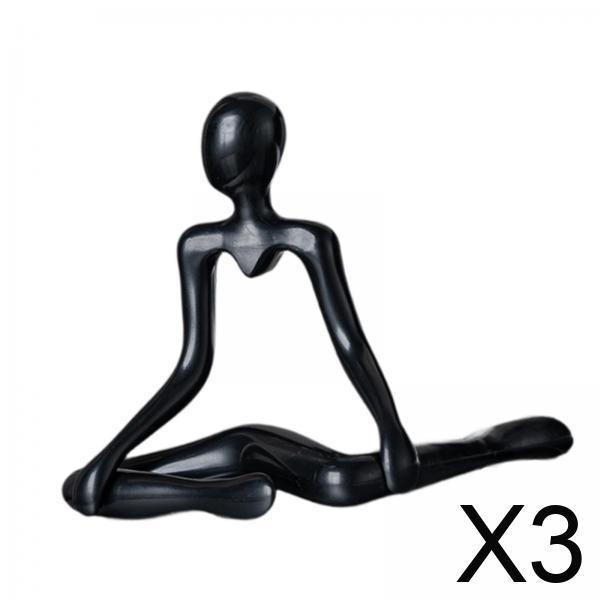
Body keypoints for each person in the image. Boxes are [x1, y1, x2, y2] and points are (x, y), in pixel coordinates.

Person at [63, 93, 572, 519]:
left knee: (340, 483)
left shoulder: (307, 238)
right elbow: (191, 368)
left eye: (234, 141)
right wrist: (110, 454)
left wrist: (391, 432)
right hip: (233, 448)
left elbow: (350, 343)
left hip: (277, 452)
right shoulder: (196, 244)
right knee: (81, 485)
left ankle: (493, 445)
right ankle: (220, 496)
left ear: (272, 152)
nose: (222, 154)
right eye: (215, 141)